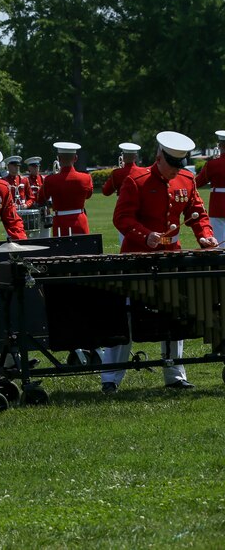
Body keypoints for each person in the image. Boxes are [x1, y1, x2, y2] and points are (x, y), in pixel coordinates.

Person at [102, 131, 218, 393]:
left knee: (173, 313)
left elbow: (197, 214)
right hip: (137, 258)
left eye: (179, 165)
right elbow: (121, 218)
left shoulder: (186, 179)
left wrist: (206, 236)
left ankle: (174, 375)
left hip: (171, 257)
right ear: (158, 157)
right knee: (127, 318)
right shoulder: (136, 180)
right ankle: (110, 378)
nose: (175, 172)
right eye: (171, 165)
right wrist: (146, 236)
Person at [35, 142, 93, 236]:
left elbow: (41, 198)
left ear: (58, 158)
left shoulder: (50, 180)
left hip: (60, 222)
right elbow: (88, 195)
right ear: (75, 158)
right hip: (80, 221)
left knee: (62, 249)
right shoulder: (86, 178)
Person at [103, 142, 149, 248]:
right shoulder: (144, 171)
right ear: (136, 156)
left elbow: (106, 191)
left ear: (123, 157)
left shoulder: (117, 173)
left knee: (125, 232)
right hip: (142, 204)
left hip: (123, 206)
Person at [194, 130, 225, 243]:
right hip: (217, 205)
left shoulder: (212, 164)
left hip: (218, 205)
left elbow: (197, 183)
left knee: (218, 240)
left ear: (221, 146)